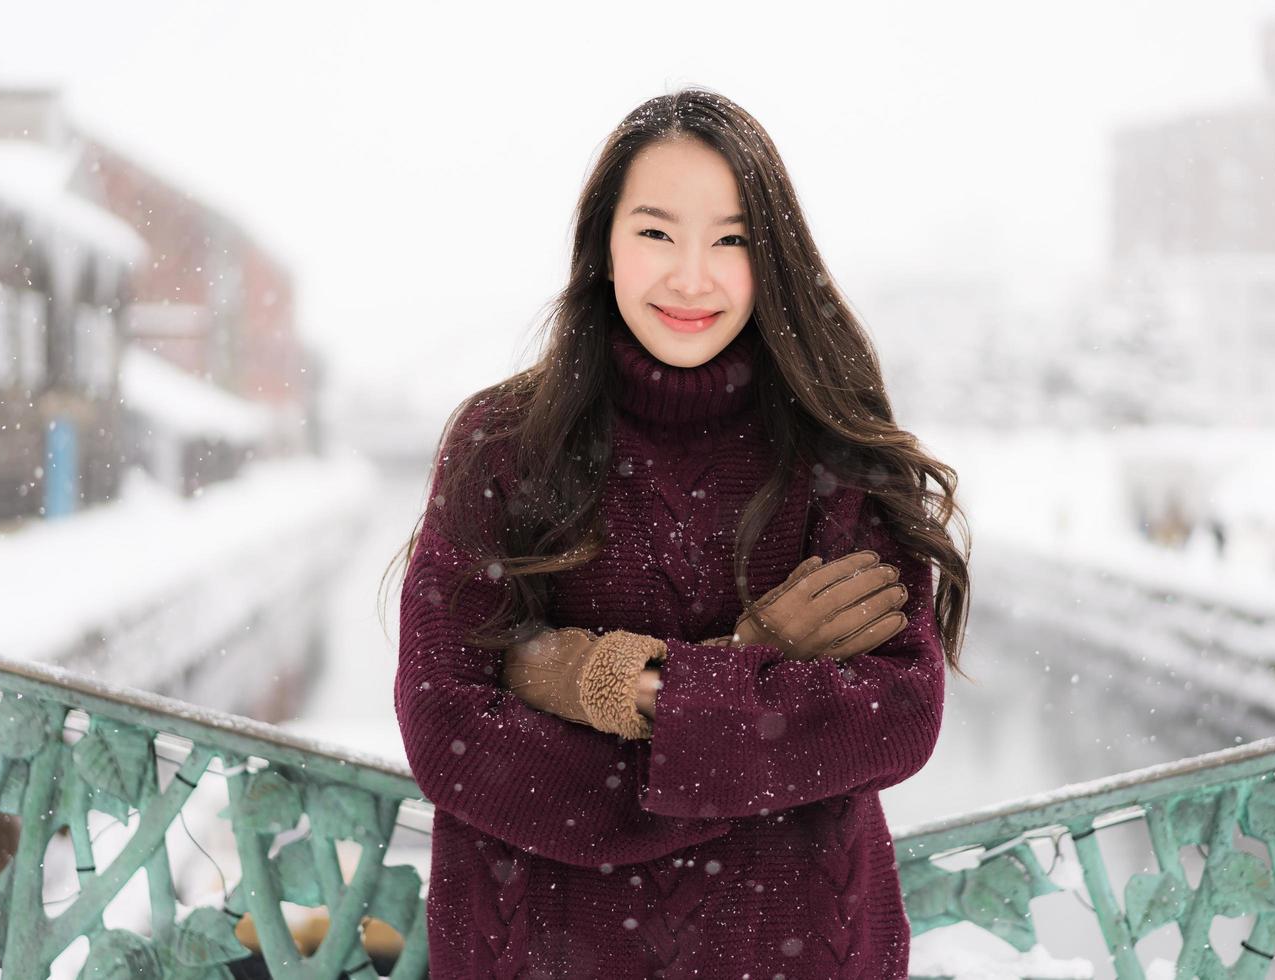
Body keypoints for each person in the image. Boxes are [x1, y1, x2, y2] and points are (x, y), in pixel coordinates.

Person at [387, 87, 971, 979]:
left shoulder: (836, 446)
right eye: (657, 233)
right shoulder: (503, 443)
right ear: (604, 244)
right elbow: (447, 730)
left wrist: (589, 678)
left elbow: (894, 714)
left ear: (771, 255)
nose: (692, 277)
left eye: (731, 239)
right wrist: (752, 657)